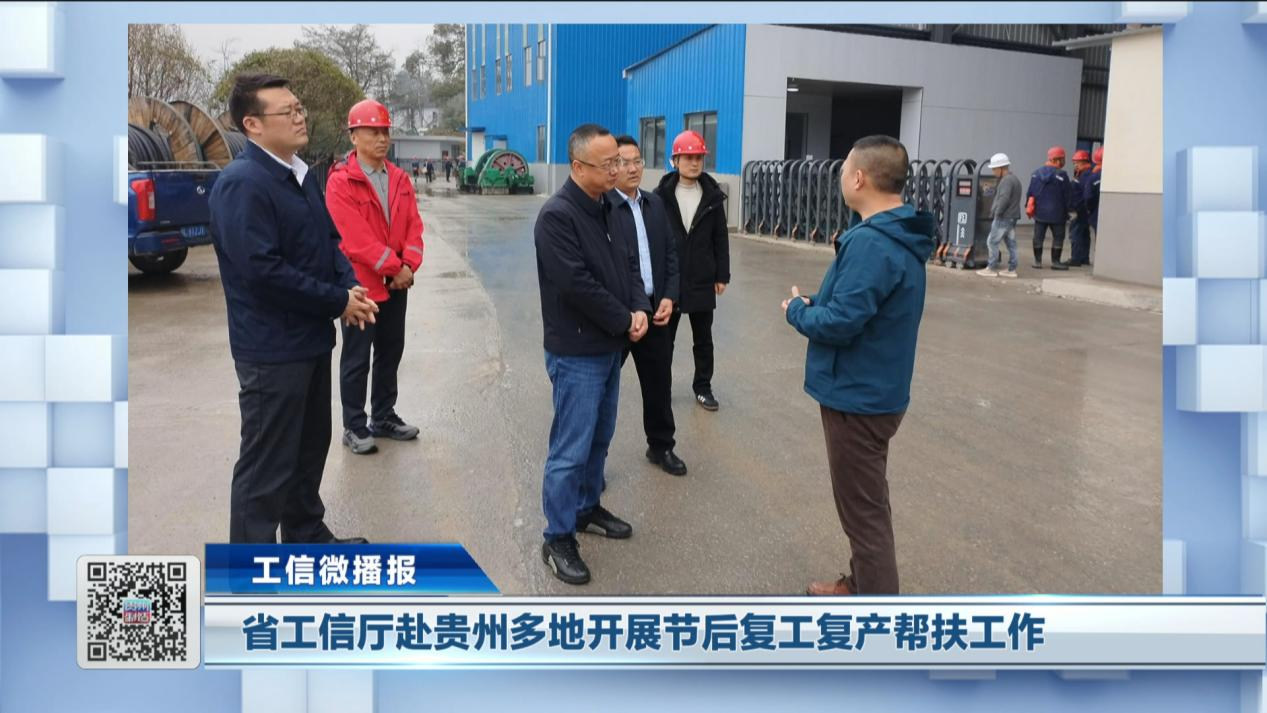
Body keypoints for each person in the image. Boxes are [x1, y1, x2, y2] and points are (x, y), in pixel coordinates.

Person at [208, 73, 377, 544]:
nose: (300, 117)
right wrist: (337, 300)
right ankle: (249, 573)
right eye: (288, 112)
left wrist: (349, 286)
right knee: (266, 467)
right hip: (271, 350)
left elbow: (328, 241)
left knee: (308, 449)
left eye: (300, 108)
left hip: (309, 341)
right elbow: (264, 273)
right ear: (253, 124)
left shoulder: (299, 175)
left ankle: (306, 536)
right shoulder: (243, 184)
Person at [782, 135, 936, 596]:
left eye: (845, 169)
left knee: (863, 513)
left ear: (859, 178)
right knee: (866, 502)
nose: (842, 178)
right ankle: (861, 583)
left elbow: (841, 322)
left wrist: (798, 312)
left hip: (857, 397)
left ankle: (876, 610)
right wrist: (819, 301)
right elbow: (859, 303)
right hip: (877, 390)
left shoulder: (873, 243)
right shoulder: (895, 232)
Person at [534, 124, 650, 585]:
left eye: (620, 161)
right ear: (578, 167)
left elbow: (630, 267)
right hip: (577, 350)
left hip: (609, 346)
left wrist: (639, 308)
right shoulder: (557, 217)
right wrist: (624, 318)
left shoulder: (611, 208)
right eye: (609, 164)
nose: (618, 170)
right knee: (571, 447)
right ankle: (557, 535)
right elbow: (576, 284)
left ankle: (586, 508)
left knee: (600, 437)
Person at [325, 99, 425, 455]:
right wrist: (395, 268)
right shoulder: (341, 182)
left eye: (385, 131)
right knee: (356, 358)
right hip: (361, 288)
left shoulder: (399, 179)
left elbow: (414, 225)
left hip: (397, 284)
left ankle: (383, 416)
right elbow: (355, 239)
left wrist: (409, 265)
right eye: (373, 132)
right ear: (354, 136)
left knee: (390, 351)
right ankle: (354, 425)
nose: (382, 139)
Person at [608, 135, 687, 476]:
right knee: (602, 388)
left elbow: (670, 255)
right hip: (619, 315)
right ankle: (593, 462)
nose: (633, 168)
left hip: (655, 312)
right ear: (612, 166)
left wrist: (669, 296)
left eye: (637, 161)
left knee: (658, 383)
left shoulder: (654, 204)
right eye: (624, 162)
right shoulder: (604, 208)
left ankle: (661, 446)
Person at [654, 130, 730, 412]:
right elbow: (654, 238)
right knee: (665, 340)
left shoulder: (712, 196)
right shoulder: (660, 196)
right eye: (688, 157)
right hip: (670, 281)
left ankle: (703, 387)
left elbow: (720, 237)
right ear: (675, 160)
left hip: (701, 278)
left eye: (699, 157)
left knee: (703, 339)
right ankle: (662, 388)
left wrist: (722, 274)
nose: (694, 163)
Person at [1025, 146, 1076, 271]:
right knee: (1058, 237)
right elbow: (1068, 195)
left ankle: (1037, 261)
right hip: (1057, 214)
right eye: (1063, 159)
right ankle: (1056, 262)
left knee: (1038, 237)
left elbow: (1030, 192)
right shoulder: (1062, 175)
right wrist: (1071, 210)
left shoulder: (1036, 173)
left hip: (1040, 213)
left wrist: (1028, 206)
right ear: (1057, 160)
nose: (1064, 162)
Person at [976, 152, 1022, 278]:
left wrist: (997, 213)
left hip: (1003, 217)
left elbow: (1004, 199)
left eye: (994, 169)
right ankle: (1012, 269)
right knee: (1011, 243)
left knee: (992, 242)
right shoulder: (1015, 179)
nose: (993, 172)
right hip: (1012, 217)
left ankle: (991, 267)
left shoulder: (1006, 181)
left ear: (1001, 168)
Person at [1066, 149, 1094, 267]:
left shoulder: (1085, 176)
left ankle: (1076, 258)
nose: (1075, 165)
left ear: (1084, 162)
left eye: (1077, 162)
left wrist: (1076, 208)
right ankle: (1084, 258)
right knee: (1084, 233)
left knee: (1076, 233)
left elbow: (1085, 194)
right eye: (1074, 163)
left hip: (1079, 209)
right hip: (1084, 209)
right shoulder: (1085, 174)